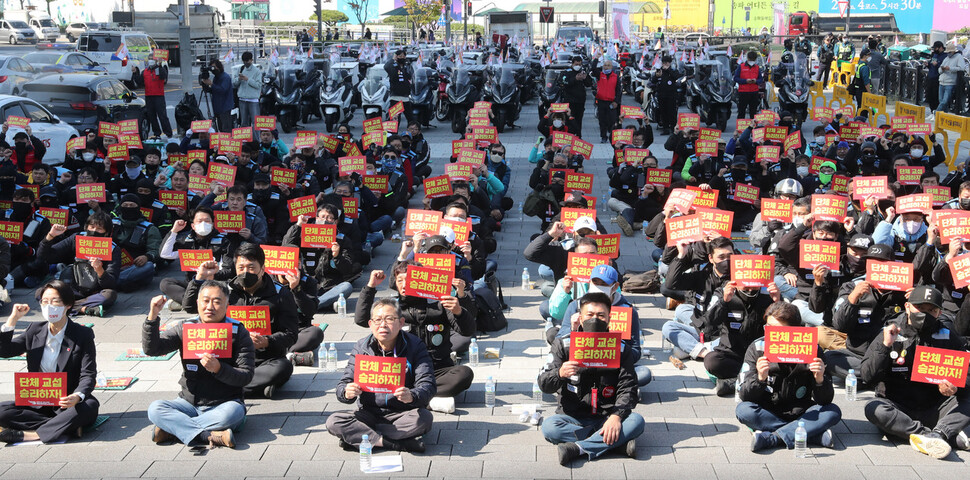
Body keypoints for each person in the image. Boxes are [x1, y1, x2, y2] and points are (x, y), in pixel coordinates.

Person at [862, 286, 970, 459]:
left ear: (939, 313)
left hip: (935, 408)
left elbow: (966, 375)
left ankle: (940, 433)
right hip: (899, 409)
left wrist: (956, 387)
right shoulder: (890, 332)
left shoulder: (948, 336)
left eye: (931, 310)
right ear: (907, 307)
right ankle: (933, 435)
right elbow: (867, 376)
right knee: (873, 408)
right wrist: (885, 346)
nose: (925, 314)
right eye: (920, 308)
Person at [144, 283, 255, 449]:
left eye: (217, 302)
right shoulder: (185, 328)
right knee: (155, 409)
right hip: (188, 403)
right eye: (205, 301)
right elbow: (153, 349)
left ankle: (174, 430)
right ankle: (207, 435)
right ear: (197, 303)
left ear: (227, 305)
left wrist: (219, 369)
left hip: (224, 403)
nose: (210, 307)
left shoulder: (238, 332)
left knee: (233, 413)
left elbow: (246, 376)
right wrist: (152, 317)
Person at [539, 292, 644, 465]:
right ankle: (615, 444)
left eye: (601, 315)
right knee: (550, 427)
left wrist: (616, 417)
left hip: (607, 415)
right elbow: (543, 383)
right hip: (572, 416)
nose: (595, 319)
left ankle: (577, 448)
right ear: (580, 318)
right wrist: (559, 374)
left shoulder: (621, 349)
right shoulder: (563, 345)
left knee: (637, 421)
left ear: (609, 319)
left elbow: (629, 387)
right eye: (590, 315)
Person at [184, 243, 299, 399]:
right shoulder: (226, 291)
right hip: (230, 359)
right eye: (241, 268)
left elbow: (291, 334)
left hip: (265, 359)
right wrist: (199, 279)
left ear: (262, 269)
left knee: (283, 367)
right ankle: (255, 388)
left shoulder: (280, 294)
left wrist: (267, 341)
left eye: (251, 268)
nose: (245, 272)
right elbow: (190, 307)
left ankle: (223, 387)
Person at [326, 298, 435, 452]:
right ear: (370, 324)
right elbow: (343, 384)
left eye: (389, 319)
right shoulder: (361, 347)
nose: (383, 325)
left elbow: (428, 385)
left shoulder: (415, 345)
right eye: (377, 320)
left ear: (401, 322)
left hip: (402, 413)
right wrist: (346, 392)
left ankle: (361, 437)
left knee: (423, 419)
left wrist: (412, 395)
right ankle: (394, 443)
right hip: (368, 413)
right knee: (334, 422)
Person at [0, 281, 100, 444]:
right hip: (38, 403)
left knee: (89, 406)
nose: (49, 306)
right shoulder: (34, 330)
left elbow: (88, 374)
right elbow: (4, 352)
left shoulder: (82, 334)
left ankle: (33, 435)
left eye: (55, 301)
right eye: (45, 302)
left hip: (66, 403)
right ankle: (66, 427)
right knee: (2, 411)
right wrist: (12, 320)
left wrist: (76, 396)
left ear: (67, 304)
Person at [738, 302, 841, 452]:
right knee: (744, 410)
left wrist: (820, 380)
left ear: (796, 331)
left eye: (777, 330)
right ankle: (810, 435)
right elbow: (744, 395)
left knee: (832, 412)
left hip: (802, 411)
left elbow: (825, 400)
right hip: (768, 411)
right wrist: (759, 378)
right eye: (768, 328)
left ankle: (772, 438)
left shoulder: (813, 349)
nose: (771, 334)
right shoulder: (757, 347)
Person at [592, 58, 622, 144]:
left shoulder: (615, 77)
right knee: (602, 120)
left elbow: (618, 90)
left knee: (612, 120)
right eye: (605, 65)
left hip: (611, 102)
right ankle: (603, 136)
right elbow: (593, 69)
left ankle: (612, 136)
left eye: (608, 65)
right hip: (601, 101)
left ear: (612, 67)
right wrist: (596, 58)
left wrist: (616, 101)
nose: (606, 67)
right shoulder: (600, 75)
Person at [561, 56, 592, 136]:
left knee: (579, 120)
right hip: (570, 101)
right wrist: (575, 79)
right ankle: (569, 136)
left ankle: (578, 136)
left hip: (580, 101)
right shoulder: (567, 72)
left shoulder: (583, 71)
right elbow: (564, 83)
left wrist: (585, 78)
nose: (578, 66)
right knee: (569, 119)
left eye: (579, 64)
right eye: (576, 64)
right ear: (572, 63)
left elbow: (589, 84)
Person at [142, 56, 173, 138]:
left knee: (162, 116)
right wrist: (134, 73)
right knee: (152, 116)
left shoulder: (159, 69)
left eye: (152, 59)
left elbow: (164, 76)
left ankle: (168, 133)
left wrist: (160, 65)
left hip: (158, 96)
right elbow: (140, 81)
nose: (151, 60)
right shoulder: (145, 71)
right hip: (149, 96)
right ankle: (157, 133)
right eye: (149, 59)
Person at [200, 59, 234, 132]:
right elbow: (214, 91)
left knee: (226, 129)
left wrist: (211, 84)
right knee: (221, 129)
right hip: (217, 107)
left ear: (219, 67)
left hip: (225, 107)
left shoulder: (225, 77)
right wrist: (206, 86)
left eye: (214, 67)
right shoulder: (216, 77)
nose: (213, 69)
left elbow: (222, 90)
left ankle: (226, 142)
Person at [650, 55, 679, 135]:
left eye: (666, 63)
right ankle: (665, 128)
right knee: (663, 112)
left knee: (672, 112)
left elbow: (677, 76)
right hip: (661, 95)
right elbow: (653, 80)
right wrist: (656, 76)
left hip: (671, 95)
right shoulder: (660, 71)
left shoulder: (673, 70)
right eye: (663, 63)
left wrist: (669, 70)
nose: (665, 64)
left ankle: (673, 128)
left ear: (669, 63)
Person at [235, 52, 263, 127]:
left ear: (251, 60)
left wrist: (248, 80)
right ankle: (245, 138)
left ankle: (256, 138)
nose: (245, 63)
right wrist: (239, 79)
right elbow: (234, 84)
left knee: (255, 122)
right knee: (244, 122)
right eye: (244, 61)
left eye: (247, 61)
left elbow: (258, 85)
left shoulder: (256, 71)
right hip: (242, 99)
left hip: (253, 99)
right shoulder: (240, 69)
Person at [384, 49, 412, 124]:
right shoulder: (393, 66)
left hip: (406, 98)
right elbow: (386, 67)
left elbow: (411, 76)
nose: (402, 57)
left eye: (403, 56)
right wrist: (393, 59)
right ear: (396, 57)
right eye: (400, 56)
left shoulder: (406, 67)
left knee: (411, 119)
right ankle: (393, 135)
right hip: (396, 98)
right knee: (395, 120)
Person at [735, 51, 764, 119]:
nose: (752, 61)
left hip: (754, 92)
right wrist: (745, 81)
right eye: (751, 59)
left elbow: (760, 79)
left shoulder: (757, 67)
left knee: (753, 112)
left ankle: (752, 128)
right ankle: (740, 128)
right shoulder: (741, 67)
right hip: (743, 92)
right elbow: (736, 78)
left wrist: (756, 81)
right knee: (741, 112)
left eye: (753, 60)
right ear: (747, 58)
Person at [939, 44, 967, 114]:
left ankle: (936, 113)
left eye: (949, 52)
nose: (948, 54)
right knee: (941, 100)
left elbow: (961, 68)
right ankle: (944, 115)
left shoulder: (958, 57)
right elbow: (939, 70)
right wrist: (942, 69)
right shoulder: (946, 58)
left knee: (945, 101)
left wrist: (950, 68)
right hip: (942, 81)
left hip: (950, 82)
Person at [926, 41, 947, 112]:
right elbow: (932, 65)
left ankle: (936, 111)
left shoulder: (945, 56)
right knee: (929, 95)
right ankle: (932, 111)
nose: (935, 50)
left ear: (941, 48)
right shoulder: (935, 55)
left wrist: (937, 65)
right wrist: (928, 64)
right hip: (930, 77)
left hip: (937, 78)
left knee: (936, 96)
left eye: (936, 48)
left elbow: (944, 67)